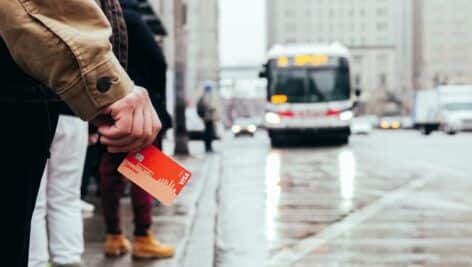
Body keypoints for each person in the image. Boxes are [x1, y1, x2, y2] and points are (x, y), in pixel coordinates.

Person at [0, 1, 161, 265]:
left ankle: (41, 260)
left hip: (56, 97)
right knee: (64, 195)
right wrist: (107, 87)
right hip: (50, 99)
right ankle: (69, 257)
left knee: (39, 201)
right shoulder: (136, 22)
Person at [100, 0, 175, 260]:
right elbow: (158, 62)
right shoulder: (131, 18)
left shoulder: (98, 17)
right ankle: (143, 237)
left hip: (108, 104)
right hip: (139, 105)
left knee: (110, 170)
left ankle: (114, 237)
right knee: (145, 171)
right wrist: (159, 105)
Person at [28, 115, 88, 267]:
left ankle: (35, 262)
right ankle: (68, 259)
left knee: (32, 201)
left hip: (31, 110)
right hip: (74, 112)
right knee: (67, 197)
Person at [197, 81, 222, 152]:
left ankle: (208, 147)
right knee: (208, 132)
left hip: (207, 117)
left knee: (208, 132)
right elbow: (210, 106)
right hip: (208, 117)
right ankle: (208, 147)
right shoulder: (208, 95)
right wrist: (214, 110)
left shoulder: (204, 95)